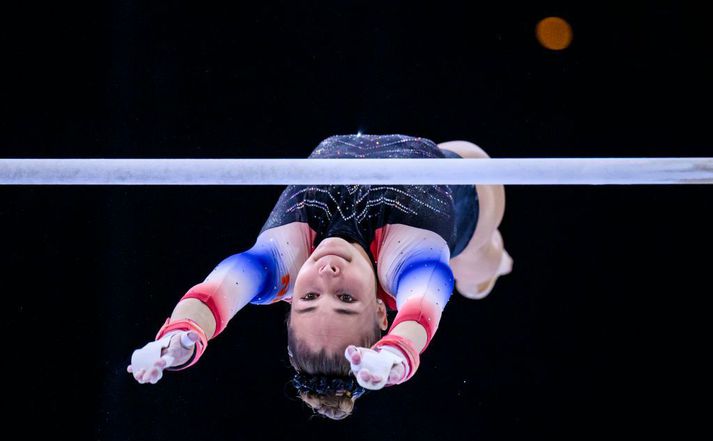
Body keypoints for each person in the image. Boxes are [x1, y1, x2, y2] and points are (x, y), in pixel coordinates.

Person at [127, 133, 513, 420]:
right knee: (481, 268)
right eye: (346, 299)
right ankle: (490, 266)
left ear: (289, 297)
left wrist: (184, 333)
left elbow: (220, 290)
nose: (328, 275)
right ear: (382, 311)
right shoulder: (406, 259)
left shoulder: (285, 259)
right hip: (470, 193)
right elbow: (423, 304)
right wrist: (397, 352)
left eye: (309, 298)